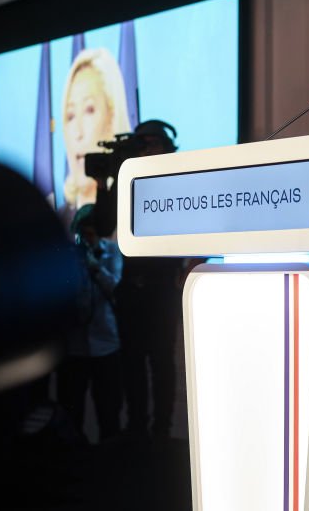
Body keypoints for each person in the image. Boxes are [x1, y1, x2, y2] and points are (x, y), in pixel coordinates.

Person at [113, 120, 186, 441]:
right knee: (131, 360)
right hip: (129, 287)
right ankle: (137, 426)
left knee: (161, 361)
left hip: (163, 287)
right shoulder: (126, 180)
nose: (148, 149)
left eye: (154, 143)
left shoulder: (180, 179)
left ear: (168, 147)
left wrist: (193, 262)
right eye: (142, 144)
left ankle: (161, 430)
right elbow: (103, 225)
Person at [56, 203, 124, 443]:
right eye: (82, 232)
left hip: (105, 343)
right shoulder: (70, 257)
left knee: (109, 407)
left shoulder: (112, 253)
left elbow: (116, 288)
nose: (87, 237)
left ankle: (110, 452)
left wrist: (96, 269)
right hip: (75, 347)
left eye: (91, 232)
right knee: (71, 408)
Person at [60, 48, 131, 225]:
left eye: (89, 110)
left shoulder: (134, 216)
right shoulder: (54, 224)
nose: (78, 132)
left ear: (112, 117)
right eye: (70, 116)